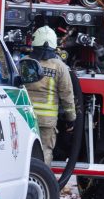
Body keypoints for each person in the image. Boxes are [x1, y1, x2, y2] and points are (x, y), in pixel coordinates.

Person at [25, 26, 76, 165]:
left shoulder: (25, 62)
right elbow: (67, 94)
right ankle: (41, 183)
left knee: (23, 151)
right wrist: (71, 118)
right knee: (44, 152)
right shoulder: (59, 66)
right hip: (47, 121)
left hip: (25, 118)